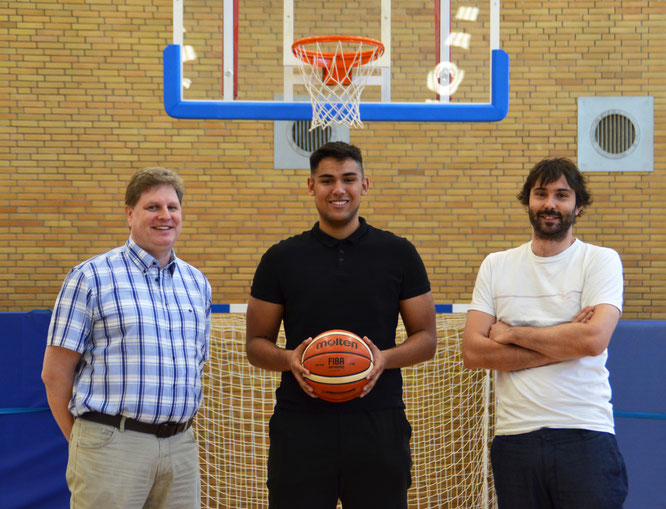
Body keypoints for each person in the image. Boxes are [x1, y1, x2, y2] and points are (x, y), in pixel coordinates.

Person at [246, 141, 436, 509]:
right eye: (327, 180)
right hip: (301, 424)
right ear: (311, 186)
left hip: (378, 421)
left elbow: (427, 339)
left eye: (349, 179)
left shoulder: (398, 253)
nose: (338, 190)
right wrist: (289, 360)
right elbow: (256, 344)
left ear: (365, 184)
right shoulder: (281, 258)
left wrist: (384, 358)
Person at [41, 167, 211, 508]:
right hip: (111, 444)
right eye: (153, 207)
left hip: (180, 447)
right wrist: (84, 441)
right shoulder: (90, 278)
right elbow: (55, 374)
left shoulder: (197, 283)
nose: (165, 216)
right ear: (129, 213)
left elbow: (198, 363)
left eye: (172, 207)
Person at [463, 157, 628, 508]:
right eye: (541, 194)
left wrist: (511, 334)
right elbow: (474, 353)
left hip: (585, 433)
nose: (550, 204)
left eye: (562, 195)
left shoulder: (601, 261)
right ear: (528, 201)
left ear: (578, 205)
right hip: (514, 439)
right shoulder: (496, 265)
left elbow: (593, 340)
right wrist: (566, 338)